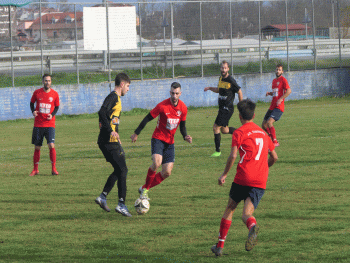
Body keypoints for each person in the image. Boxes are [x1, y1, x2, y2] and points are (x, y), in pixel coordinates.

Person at [211, 99, 278, 257]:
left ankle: (219, 246)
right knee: (246, 214)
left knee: (230, 207)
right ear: (254, 115)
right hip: (260, 180)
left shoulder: (239, 132)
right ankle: (252, 225)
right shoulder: (264, 133)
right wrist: (263, 167)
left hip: (243, 177)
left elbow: (233, 155)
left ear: (240, 117)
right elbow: (274, 157)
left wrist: (224, 174)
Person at [130, 82, 192, 201]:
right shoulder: (162, 106)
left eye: (177, 93)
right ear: (170, 93)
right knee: (157, 163)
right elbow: (147, 118)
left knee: (167, 172)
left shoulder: (183, 108)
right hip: (158, 138)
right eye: (172, 93)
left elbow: (182, 126)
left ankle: (144, 187)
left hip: (170, 142)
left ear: (180, 93)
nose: (174, 96)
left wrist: (185, 136)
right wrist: (136, 133)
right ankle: (144, 193)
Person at [95, 73, 132, 217]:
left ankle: (103, 197)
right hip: (107, 141)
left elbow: (111, 119)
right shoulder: (113, 97)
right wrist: (111, 131)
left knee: (119, 170)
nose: (128, 89)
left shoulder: (115, 98)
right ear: (122, 84)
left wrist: (117, 134)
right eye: (128, 86)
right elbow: (102, 112)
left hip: (109, 141)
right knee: (123, 170)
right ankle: (121, 204)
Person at [204, 60, 243, 157]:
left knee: (216, 127)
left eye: (225, 68)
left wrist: (241, 105)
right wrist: (209, 88)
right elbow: (218, 90)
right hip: (222, 108)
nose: (223, 69)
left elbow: (239, 91)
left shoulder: (231, 80)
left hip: (227, 108)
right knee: (224, 130)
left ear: (228, 69)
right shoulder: (221, 78)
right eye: (222, 68)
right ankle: (240, 133)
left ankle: (218, 151)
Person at [29, 74, 60, 176]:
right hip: (38, 124)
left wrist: (52, 115)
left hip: (50, 124)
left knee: (51, 145)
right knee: (37, 147)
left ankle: (53, 169)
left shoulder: (55, 94)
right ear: (43, 81)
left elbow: (57, 107)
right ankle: (35, 169)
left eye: (49, 80)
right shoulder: (37, 92)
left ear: (51, 82)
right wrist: (33, 111)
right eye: (46, 80)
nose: (47, 82)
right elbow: (31, 103)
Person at [262, 64, 291, 147]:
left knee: (269, 122)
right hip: (272, 106)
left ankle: (275, 141)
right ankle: (271, 136)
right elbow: (276, 93)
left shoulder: (283, 80)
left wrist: (281, 99)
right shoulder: (274, 81)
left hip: (279, 107)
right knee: (264, 125)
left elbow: (289, 91)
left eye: (279, 70)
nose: (278, 71)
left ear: (282, 71)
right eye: (277, 69)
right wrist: (270, 93)